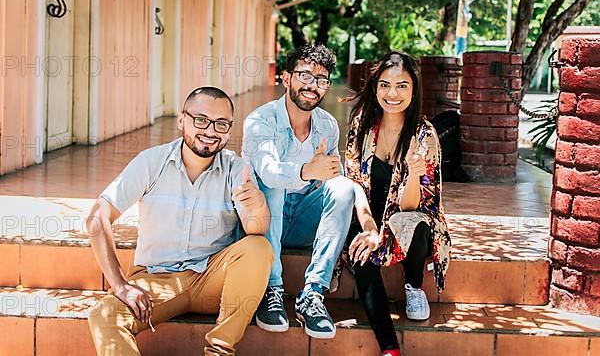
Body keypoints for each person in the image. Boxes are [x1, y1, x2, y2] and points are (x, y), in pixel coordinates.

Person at [86, 86, 273, 356]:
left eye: (221, 124)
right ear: (181, 120)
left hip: (211, 279)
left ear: (229, 130)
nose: (210, 131)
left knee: (258, 247)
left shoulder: (236, 168)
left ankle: (219, 351)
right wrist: (120, 285)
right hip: (156, 280)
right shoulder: (152, 162)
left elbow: (256, 230)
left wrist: (258, 206)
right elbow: (97, 217)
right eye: (201, 120)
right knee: (104, 314)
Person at [242, 43, 355, 339]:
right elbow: (267, 170)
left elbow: (332, 177)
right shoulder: (260, 120)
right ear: (286, 78)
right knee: (272, 185)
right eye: (304, 75)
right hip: (263, 219)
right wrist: (307, 171)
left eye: (321, 80)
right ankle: (271, 289)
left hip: (303, 217)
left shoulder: (328, 126)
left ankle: (312, 294)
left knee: (343, 188)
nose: (312, 86)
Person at [342, 52, 451, 356]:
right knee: (360, 252)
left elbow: (415, 207)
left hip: (409, 215)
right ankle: (390, 348)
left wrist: (415, 174)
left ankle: (413, 285)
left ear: (414, 90)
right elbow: (354, 183)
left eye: (402, 86)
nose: (393, 94)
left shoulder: (423, 134)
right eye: (385, 85)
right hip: (367, 216)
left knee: (415, 226)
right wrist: (368, 228)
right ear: (375, 87)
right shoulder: (362, 126)